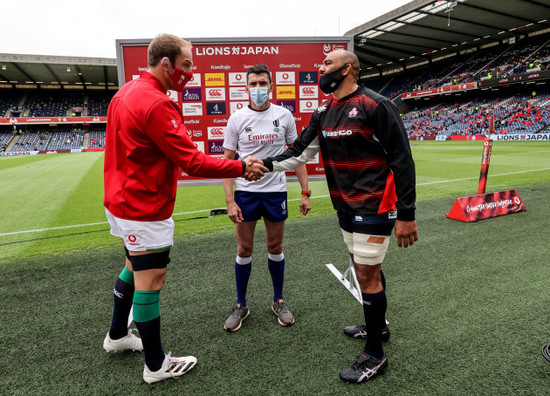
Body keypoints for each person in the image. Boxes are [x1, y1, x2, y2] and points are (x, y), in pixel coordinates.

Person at [102, 34, 267, 385]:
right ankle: (156, 365)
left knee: (133, 265)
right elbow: (191, 161)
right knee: (151, 280)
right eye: (187, 65)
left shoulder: (124, 93)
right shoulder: (158, 103)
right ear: (166, 65)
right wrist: (241, 167)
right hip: (143, 206)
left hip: (119, 201)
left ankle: (117, 336)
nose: (191, 72)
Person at [261, 50, 418, 383]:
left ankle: (375, 355)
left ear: (347, 69)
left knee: (366, 273)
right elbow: (299, 152)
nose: (321, 69)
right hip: (344, 206)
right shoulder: (324, 112)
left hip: (375, 205)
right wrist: (263, 165)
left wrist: (407, 214)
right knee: (365, 270)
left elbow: (403, 160)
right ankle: (381, 326)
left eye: (327, 64)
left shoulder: (376, 106)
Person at [222, 64, 311, 332]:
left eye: (262, 83)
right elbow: (226, 164)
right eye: (253, 84)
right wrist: (230, 201)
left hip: (275, 192)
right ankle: (241, 305)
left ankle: (279, 301)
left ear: (271, 86)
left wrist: (305, 192)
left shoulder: (284, 116)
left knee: (275, 247)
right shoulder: (236, 119)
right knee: (244, 249)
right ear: (246, 87)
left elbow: (297, 156)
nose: (258, 88)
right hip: (245, 194)